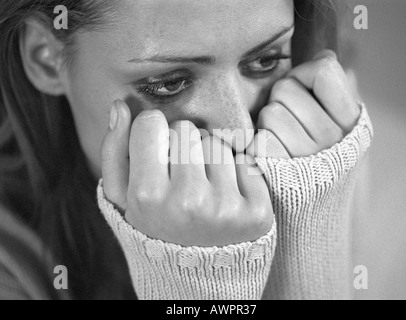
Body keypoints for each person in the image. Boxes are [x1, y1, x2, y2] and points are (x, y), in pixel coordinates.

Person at [0, 0, 373, 300]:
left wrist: (304, 239)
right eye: (169, 83)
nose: (241, 131)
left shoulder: (323, 151)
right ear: (45, 58)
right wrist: (199, 284)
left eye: (265, 61)